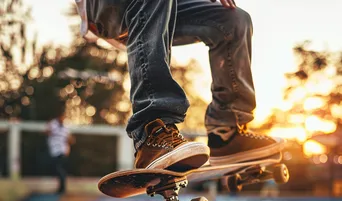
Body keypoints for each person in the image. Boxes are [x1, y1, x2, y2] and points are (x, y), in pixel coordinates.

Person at [75, 0, 284, 171]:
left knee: (233, 20)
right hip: (110, 8)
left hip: (166, 8)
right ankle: (151, 133)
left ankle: (226, 133)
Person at [46, 112, 75, 193]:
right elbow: (47, 132)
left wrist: (70, 140)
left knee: (59, 168)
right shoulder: (52, 124)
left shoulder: (66, 127)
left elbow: (70, 139)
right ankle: (62, 186)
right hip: (54, 150)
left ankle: (62, 188)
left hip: (62, 150)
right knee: (57, 168)